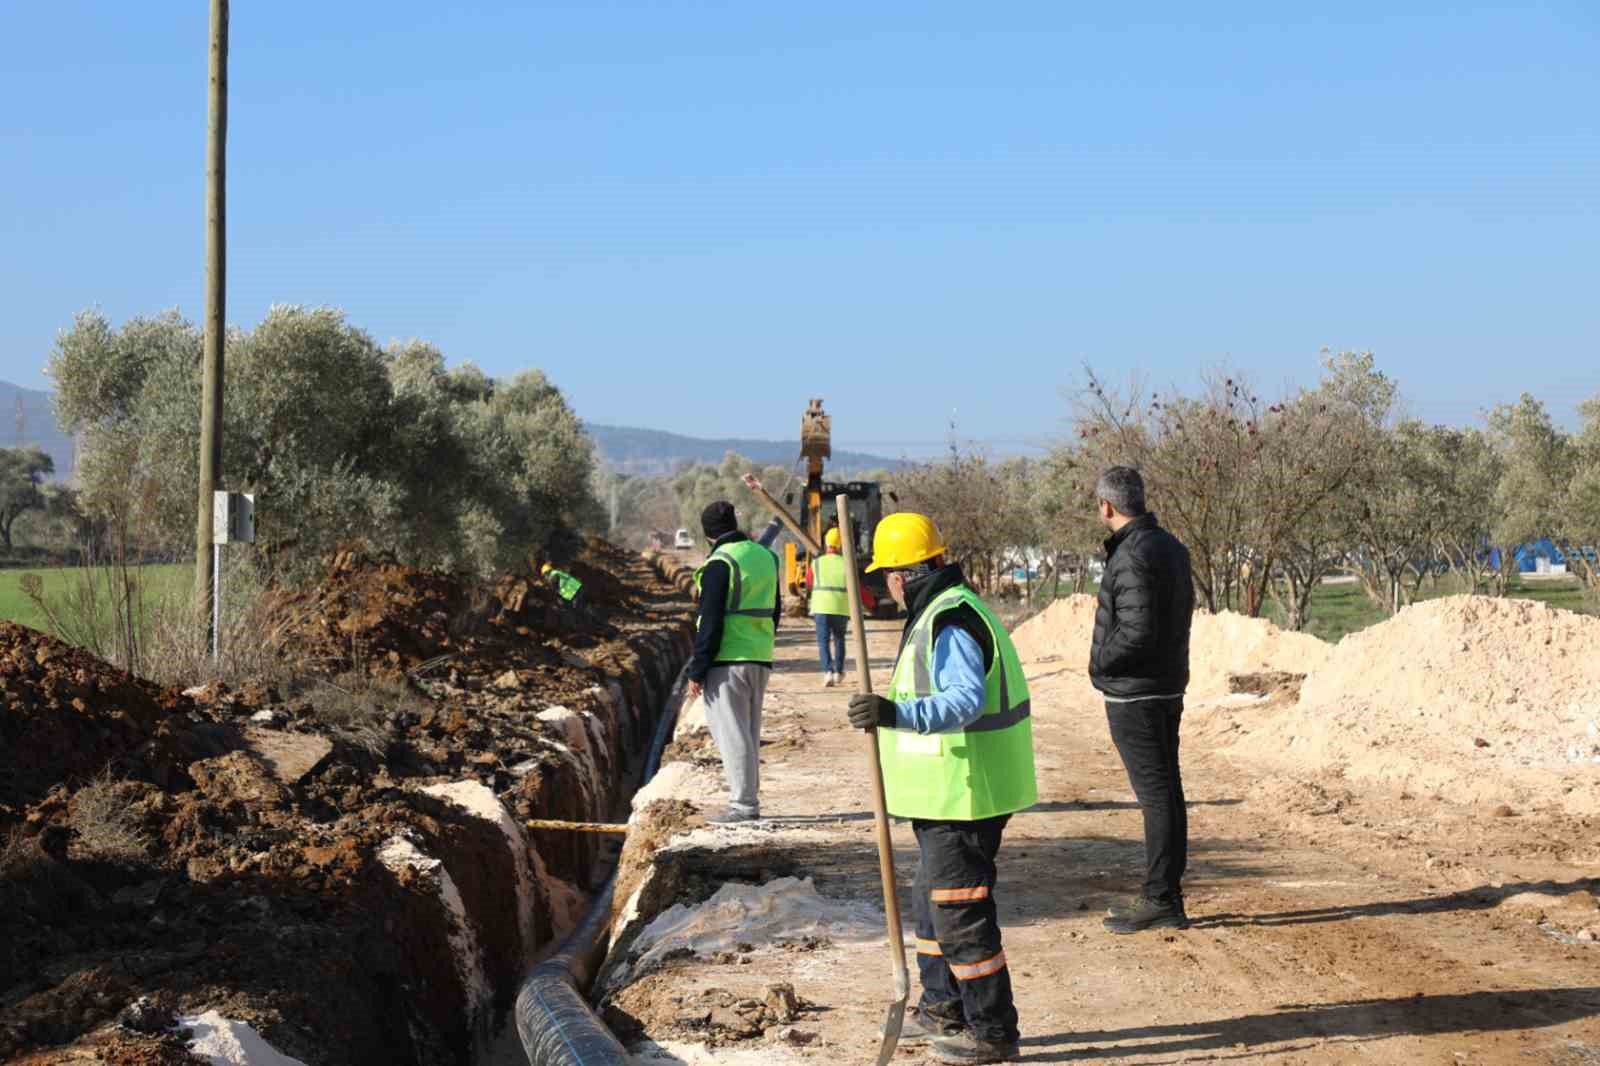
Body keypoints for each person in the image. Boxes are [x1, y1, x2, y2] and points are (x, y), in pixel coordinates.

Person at [845, 512, 1035, 1065]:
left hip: (965, 795)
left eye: (886, 576)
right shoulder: (939, 610)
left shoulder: (950, 620)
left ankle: (993, 1031)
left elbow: (963, 700)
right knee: (930, 911)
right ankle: (941, 1008)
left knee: (959, 914)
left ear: (903, 574)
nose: (886, 586)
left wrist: (893, 712)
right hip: (942, 796)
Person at [1089, 466, 1196, 934]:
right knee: (1166, 794)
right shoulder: (1170, 546)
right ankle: (1164, 893)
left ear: (1106, 507)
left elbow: (1136, 630)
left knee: (1157, 796)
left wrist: (1100, 664)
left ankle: (1161, 898)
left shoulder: (1131, 554)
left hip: (1137, 693)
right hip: (1165, 685)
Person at [687, 500, 781, 824]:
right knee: (749, 732)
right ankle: (749, 801)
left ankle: (743, 806)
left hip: (727, 659)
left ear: (707, 535)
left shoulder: (719, 563)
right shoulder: (765, 556)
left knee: (732, 733)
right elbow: (776, 608)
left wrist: (697, 670)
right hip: (759, 655)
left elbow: (709, 620)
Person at [809, 526, 850, 687]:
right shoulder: (846, 563)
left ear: (826, 544)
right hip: (840, 607)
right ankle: (839, 672)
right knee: (839, 639)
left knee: (823, 641)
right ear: (840, 545)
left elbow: (811, 582)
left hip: (821, 607)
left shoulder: (817, 563)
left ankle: (827, 672)